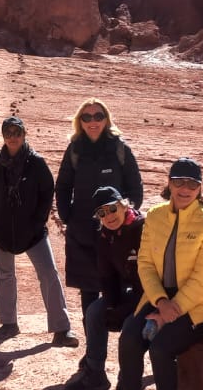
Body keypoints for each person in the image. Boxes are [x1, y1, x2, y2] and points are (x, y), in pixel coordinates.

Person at [103, 157, 203, 390]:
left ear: (199, 189)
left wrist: (173, 309)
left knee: (161, 348)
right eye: (179, 182)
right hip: (160, 296)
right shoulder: (156, 215)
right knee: (130, 338)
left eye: (192, 184)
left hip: (199, 305)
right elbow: (145, 263)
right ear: (169, 183)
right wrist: (160, 301)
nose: (185, 189)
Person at [0, 116, 76, 346]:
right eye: (8, 133)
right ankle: (9, 324)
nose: (12, 137)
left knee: (49, 273)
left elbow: (47, 193)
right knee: (5, 275)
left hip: (33, 233)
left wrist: (37, 223)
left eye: (17, 133)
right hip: (1, 231)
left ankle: (61, 329)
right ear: (3, 136)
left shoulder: (36, 163)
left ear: (24, 135)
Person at [54, 99, 143, 326]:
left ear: (106, 120)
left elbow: (135, 188)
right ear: (80, 122)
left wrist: (126, 219)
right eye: (87, 117)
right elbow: (63, 186)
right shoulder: (75, 150)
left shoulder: (120, 149)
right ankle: (93, 345)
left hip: (116, 233)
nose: (92, 122)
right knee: (88, 292)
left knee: (119, 289)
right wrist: (68, 217)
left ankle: (123, 343)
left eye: (98, 116)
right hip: (83, 232)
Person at [65, 184, 143, 390]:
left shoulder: (143, 229)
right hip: (127, 291)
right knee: (94, 312)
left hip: (150, 295)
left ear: (124, 205)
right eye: (102, 213)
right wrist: (111, 305)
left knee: (130, 326)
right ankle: (95, 373)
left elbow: (150, 279)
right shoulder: (105, 236)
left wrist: (124, 307)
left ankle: (126, 388)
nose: (108, 216)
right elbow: (107, 276)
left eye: (112, 208)